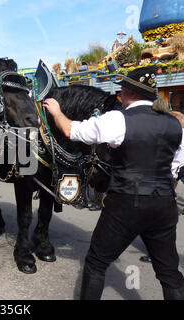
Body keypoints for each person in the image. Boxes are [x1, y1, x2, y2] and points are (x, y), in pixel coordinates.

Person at [44, 66, 184, 300]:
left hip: (126, 203)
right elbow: (175, 166)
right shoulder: (174, 124)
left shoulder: (119, 119)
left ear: (129, 93)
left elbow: (71, 130)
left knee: (96, 264)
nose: (120, 94)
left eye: (122, 90)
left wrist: (57, 111)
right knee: (169, 273)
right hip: (164, 204)